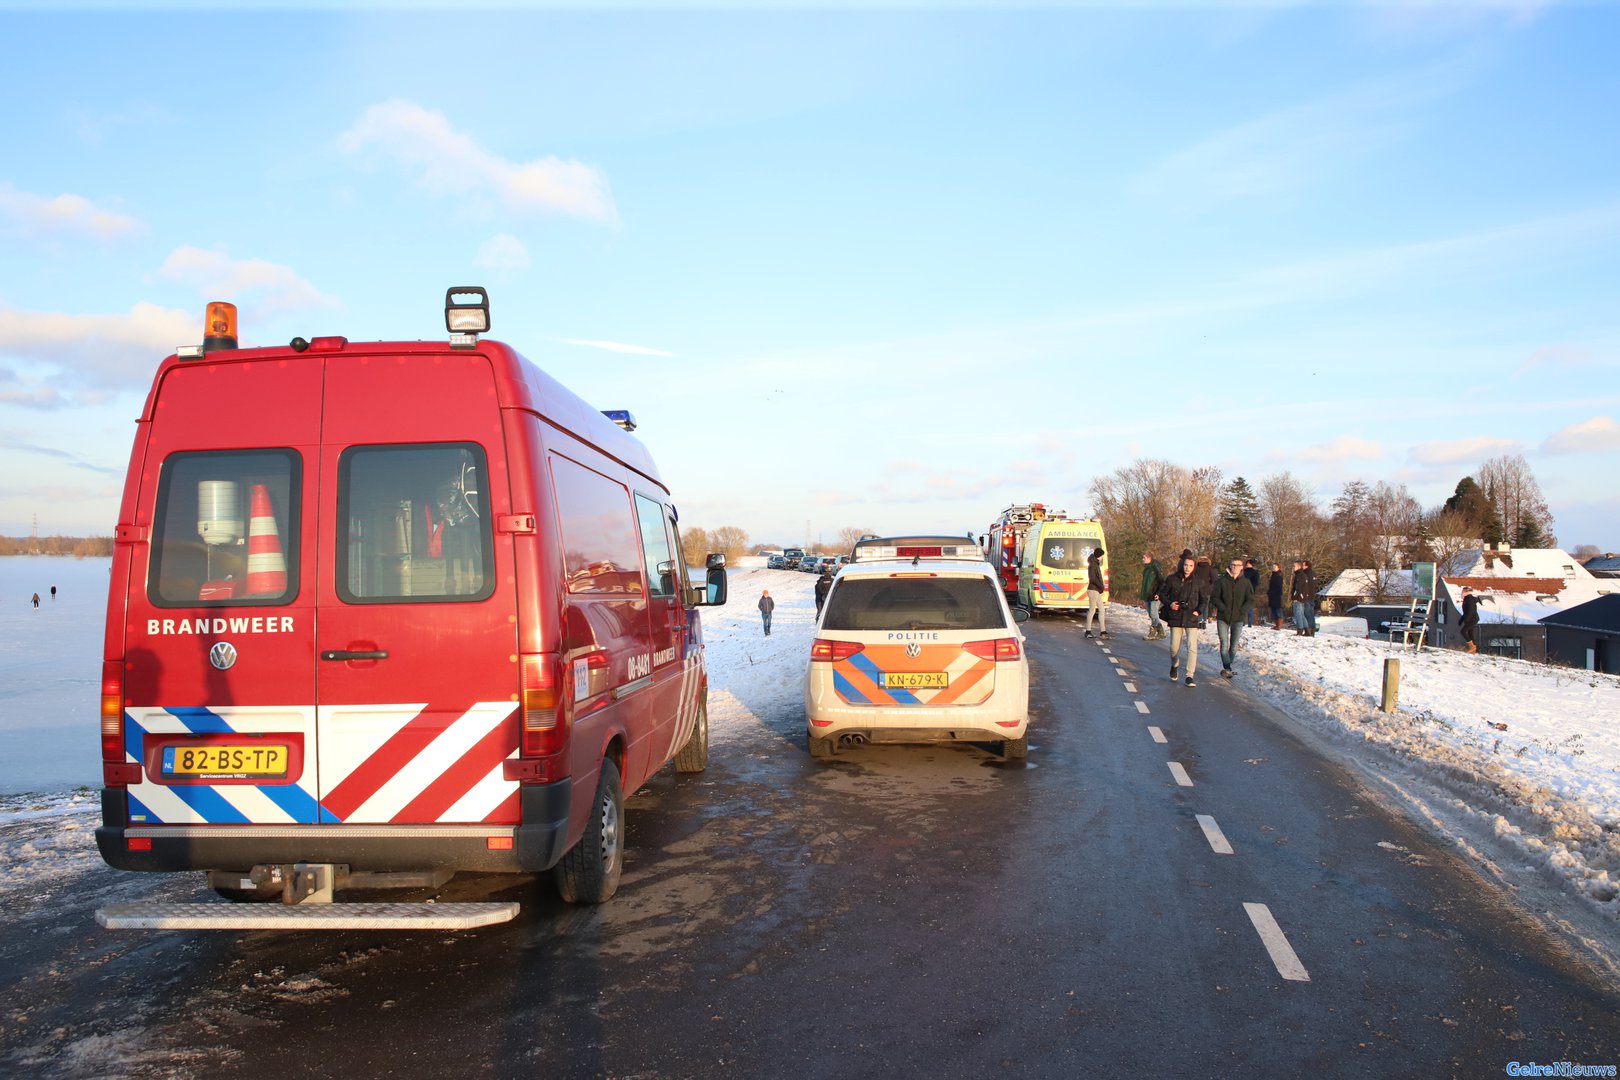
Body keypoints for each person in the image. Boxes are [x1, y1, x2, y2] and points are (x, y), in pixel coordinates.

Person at [1159, 553, 1207, 687]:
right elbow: (1162, 594)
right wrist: (1170, 604)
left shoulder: (1199, 582)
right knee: (1174, 647)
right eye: (1186, 565)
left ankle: (1189, 675)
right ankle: (1174, 664)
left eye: (1190, 566)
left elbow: (1204, 599)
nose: (1187, 568)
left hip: (1192, 617)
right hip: (1176, 616)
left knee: (1192, 647)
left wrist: (1198, 611)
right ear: (1182, 565)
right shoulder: (1172, 579)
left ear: (1194, 567)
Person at [1210, 558, 1256, 679]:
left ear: (1242, 567)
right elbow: (1214, 597)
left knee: (1234, 645)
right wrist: (1222, 607)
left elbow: (1250, 599)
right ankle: (1227, 667)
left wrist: (1243, 610)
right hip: (1223, 617)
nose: (1235, 567)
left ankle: (1228, 666)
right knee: (1224, 643)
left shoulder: (1246, 583)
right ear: (1230, 566)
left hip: (1238, 618)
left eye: (1238, 565)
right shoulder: (1221, 581)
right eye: (1233, 565)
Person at [1083, 547, 1109, 639]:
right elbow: (1093, 578)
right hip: (1093, 590)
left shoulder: (1095, 563)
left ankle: (1103, 631)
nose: (1102, 557)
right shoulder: (1093, 564)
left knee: (1102, 609)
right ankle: (1088, 631)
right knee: (1092, 610)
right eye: (1102, 555)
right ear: (1099, 555)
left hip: (1096, 590)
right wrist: (1101, 586)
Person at [1139, 551, 1164, 641]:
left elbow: (1162, 581)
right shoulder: (1147, 568)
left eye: (1144, 558)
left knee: (1153, 613)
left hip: (1154, 594)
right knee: (1151, 614)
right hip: (1148, 594)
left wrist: (1158, 593)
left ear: (1149, 558)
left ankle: (1154, 632)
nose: (1142, 559)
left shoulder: (1155, 567)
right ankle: (1160, 632)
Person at [1458, 586, 1481, 654]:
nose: (1461, 593)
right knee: (1470, 633)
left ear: (1467, 592)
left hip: (1472, 619)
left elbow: (1470, 612)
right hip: (1471, 619)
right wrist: (1461, 620)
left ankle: (1472, 647)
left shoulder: (1469, 600)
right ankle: (1473, 650)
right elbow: (1466, 612)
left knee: (1463, 631)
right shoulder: (1467, 599)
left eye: (1463, 592)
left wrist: (1466, 619)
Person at [1242, 559, 1260, 626]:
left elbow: (1256, 583)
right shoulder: (1243, 571)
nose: (1247, 565)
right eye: (1247, 563)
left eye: (1249, 563)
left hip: (1250, 590)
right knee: (1242, 605)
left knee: (1249, 606)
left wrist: (1252, 589)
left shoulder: (1255, 572)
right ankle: (1243, 621)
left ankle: (1250, 623)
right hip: (1242, 590)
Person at [1267, 563, 1285, 630]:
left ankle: (1279, 624)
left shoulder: (1278, 575)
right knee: (1274, 609)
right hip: (1272, 595)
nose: (1273, 568)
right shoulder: (1273, 575)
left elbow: (1279, 586)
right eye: (1273, 566)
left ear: (1278, 568)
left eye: (1275, 567)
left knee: (1278, 610)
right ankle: (1277, 624)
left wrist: (1274, 592)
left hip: (1276, 595)